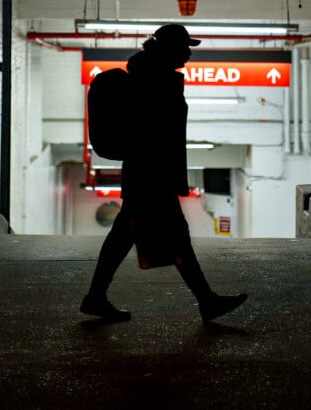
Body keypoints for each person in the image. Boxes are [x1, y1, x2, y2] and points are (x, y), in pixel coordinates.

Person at [80, 23, 248, 323]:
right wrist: (165, 173)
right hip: (150, 175)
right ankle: (206, 300)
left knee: (126, 237)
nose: (188, 54)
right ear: (169, 49)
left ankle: (96, 297)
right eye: (184, 48)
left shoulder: (154, 76)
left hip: (148, 174)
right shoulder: (152, 81)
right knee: (173, 237)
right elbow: (153, 134)